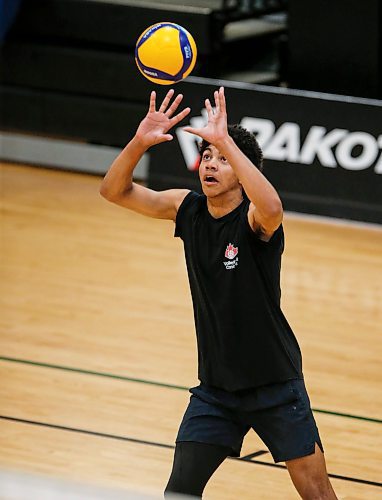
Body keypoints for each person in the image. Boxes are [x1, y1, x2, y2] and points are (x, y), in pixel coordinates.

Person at [100, 87, 337, 499]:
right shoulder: (186, 209)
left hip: (274, 385)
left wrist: (226, 140)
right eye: (208, 156)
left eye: (223, 159)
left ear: (242, 174)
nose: (211, 164)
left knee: (316, 491)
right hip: (216, 390)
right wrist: (139, 142)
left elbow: (274, 208)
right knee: (179, 492)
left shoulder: (254, 221)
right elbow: (114, 192)